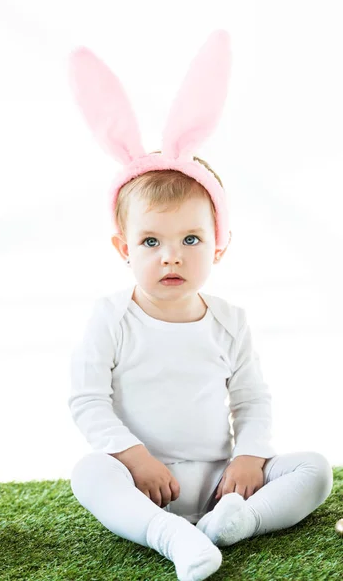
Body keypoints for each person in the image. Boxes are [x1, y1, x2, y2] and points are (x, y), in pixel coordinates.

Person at [67, 31, 333, 581]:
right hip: (143, 480)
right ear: (123, 248)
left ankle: (236, 525)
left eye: (190, 240)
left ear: (219, 245)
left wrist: (248, 458)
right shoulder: (111, 317)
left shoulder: (229, 320)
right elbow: (87, 400)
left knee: (315, 470)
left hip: (219, 483)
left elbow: (253, 399)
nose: (171, 258)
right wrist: (134, 458)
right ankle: (167, 535)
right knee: (88, 473)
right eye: (150, 243)